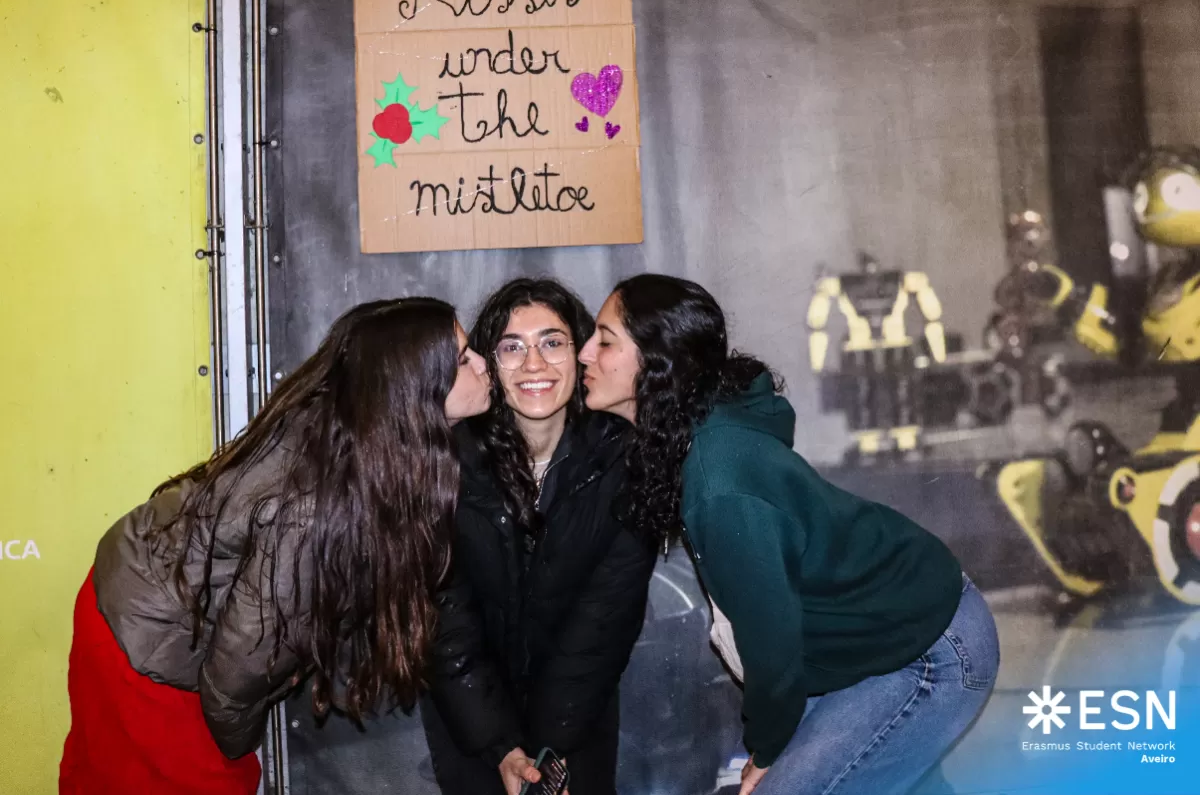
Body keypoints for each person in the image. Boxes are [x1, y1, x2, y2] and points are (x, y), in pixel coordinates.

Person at [578, 274, 1000, 795]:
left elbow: (769, 637)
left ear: (657, 361)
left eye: (604, 340)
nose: (584, 352)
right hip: (888, 637)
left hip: (931, 649)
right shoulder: (695, 436)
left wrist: (768, 748)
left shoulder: (719, 476)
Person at [59, 297, 491, 795]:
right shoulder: (317, 509)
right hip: (148, 633)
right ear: (416, 389)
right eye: (463, 359)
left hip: (144, 594)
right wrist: (236, 749)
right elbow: (235, 678)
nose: (483, 363)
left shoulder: (372, 445)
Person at [422, 278, 657, 795]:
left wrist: (547, 755)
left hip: (577, 718)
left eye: (552, 342)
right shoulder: (446, 465)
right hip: (470, 721)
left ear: (581, 353)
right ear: (488, 363)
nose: (534, 364)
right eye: (512, 347)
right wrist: (500, 746)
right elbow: (445, 621)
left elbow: (603, 623)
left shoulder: (625, 462)